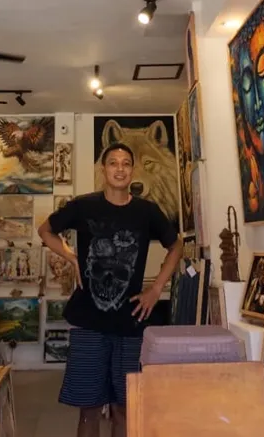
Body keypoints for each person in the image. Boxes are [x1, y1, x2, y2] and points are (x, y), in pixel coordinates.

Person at [38, 143, 180, 437]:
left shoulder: (147, 211)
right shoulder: (83, 206)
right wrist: (72, 256)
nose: (120, 168)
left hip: (131, 321)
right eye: (113, 163)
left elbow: (176, 245)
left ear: (132, 169)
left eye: (126, 163)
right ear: (104, 170)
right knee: (89, 409)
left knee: (125, 407)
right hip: (88, 321)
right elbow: (45, 231)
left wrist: (156, 289)